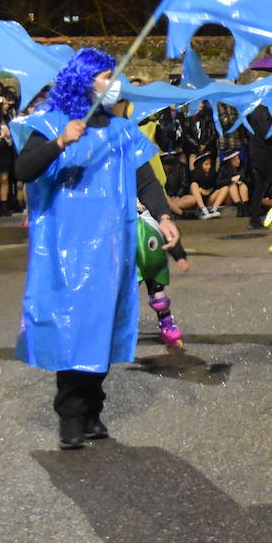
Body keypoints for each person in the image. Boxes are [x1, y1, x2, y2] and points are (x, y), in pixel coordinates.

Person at [13, 49, 179, 450]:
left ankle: (92, 409)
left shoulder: (123, 131)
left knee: (102, 329)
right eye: (106, 75)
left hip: (110, 251)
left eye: (114, 75)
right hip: (66, 250)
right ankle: (71, 416)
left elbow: (146, 180)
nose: (113, 83)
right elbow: (23, 170)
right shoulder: (51, 123)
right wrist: (59, 141)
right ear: (84, 81)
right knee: (73, 330)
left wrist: (164, 217)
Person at [136, 204, 189, 349]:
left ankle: (167, 325)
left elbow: (170, 236)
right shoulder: (123, 214)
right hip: (132, 267)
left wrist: (180, 256)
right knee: (126, 300)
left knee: (160, 299)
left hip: (155, 265)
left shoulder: (156, 214)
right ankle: (119, 330)